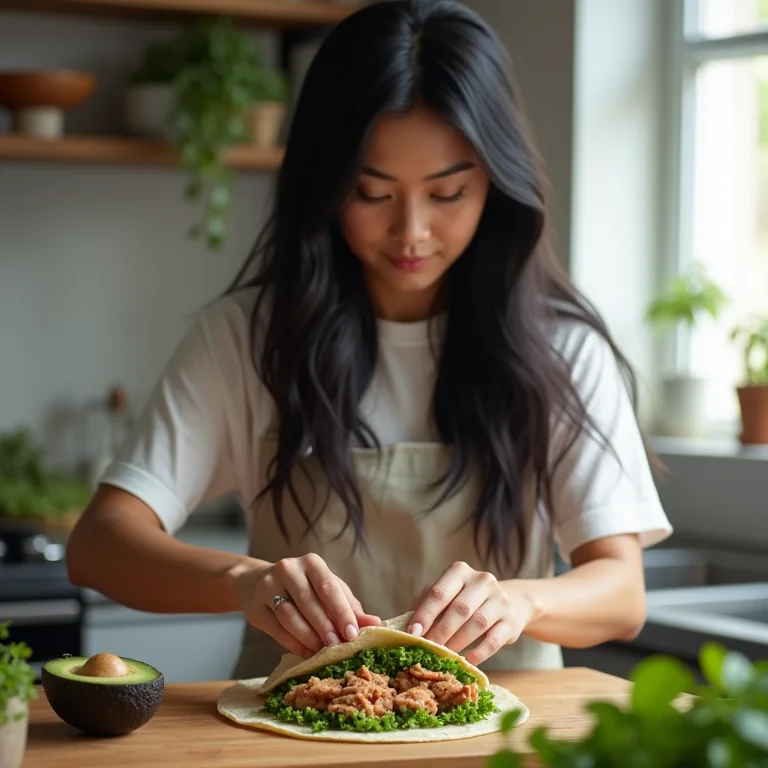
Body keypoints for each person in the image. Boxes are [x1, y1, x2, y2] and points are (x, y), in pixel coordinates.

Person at [66, 0, 672, 678]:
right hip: (295, 738)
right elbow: (99, 546)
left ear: (497, 186)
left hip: (506, 740)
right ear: (323, 188)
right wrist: (244, 580)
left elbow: (621, 593)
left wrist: (518, 602)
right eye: (373, 193)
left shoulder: (561, 348)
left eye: (448, 194)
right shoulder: (247, 338)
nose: (411, 232)